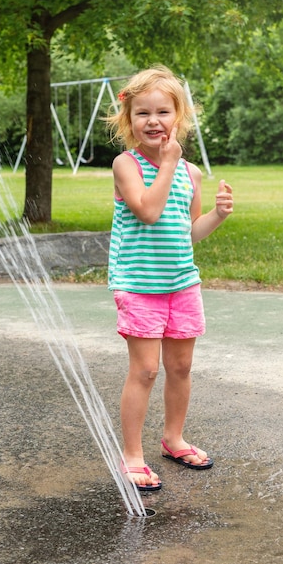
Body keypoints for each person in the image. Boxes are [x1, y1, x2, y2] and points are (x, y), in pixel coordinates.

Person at [106, 65, 233, 491]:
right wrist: (169, 163)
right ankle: (133, 455)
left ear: (179, 117)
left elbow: (188, 230)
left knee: (181, 366)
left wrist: (216, 215)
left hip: (181, 282)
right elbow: (148, 210)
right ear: (129, 120)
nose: (153, 121)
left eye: (163, 112)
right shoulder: (126, 164)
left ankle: (173, 438)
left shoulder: (191, 173)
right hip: (139, 284)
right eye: (142, 113)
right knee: (144, 370)